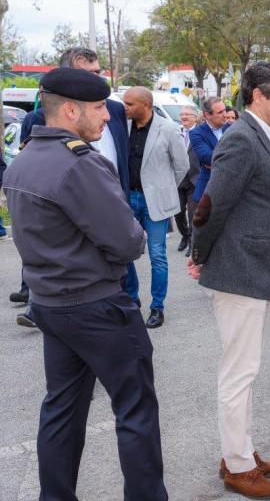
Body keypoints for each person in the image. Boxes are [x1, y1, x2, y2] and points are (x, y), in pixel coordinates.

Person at [3, 67, 167, 499]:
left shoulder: (24, 162)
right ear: (71, 110)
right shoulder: (79, 164)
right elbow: (129, 241)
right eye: (98, 109)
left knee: (62, 410)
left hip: (52, 305)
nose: (106, 118)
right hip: (96, 306)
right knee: (135, 410)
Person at [189, 64, 270, 499]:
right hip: (240, 272)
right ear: (257, 96)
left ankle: (242, 450)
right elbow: (212, 204)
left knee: (245, 370)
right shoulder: (240, 138)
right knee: (239, 373)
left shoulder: (257, 135)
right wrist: (199, 253)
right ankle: (236, 466)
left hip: (252, 270)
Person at [14, 46, 131, 326]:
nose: (97, 80)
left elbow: (123, 159)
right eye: (91, 73)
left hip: (115, 214)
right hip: (74, 275)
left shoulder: (114, 109)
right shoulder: (38, 120)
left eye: (98, 73)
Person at [122, 87, 189, 329]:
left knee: (157, 255)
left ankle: (157, 307)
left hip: (155, 203)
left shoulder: (168, 128)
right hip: (128, 199)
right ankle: (131, 298)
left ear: (146, 105)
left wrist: (164, 189)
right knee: (125, 252)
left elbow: (182, 166)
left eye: (130, 103)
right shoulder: (123, 126)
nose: (125, 107)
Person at [190, 97, 230, 203]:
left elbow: (243, 155)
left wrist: (216, 162)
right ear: (207, 115)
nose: (225, 114)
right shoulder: (197, 133)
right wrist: (232, 157)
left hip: (232, 188)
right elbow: (207, 157)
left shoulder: (232, 129)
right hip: (208, 190)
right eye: (220, 112)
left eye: (225, 110)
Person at [175, 105, 200, 253]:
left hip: (195, 179)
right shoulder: (176, 132)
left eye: (187, 114)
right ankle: (185, 235)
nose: (183, 117)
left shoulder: (201, 133)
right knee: (177, 212)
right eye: (181, 114)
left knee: (192, 213)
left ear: (195, 117)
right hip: (178, 179)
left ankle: (192, 241)